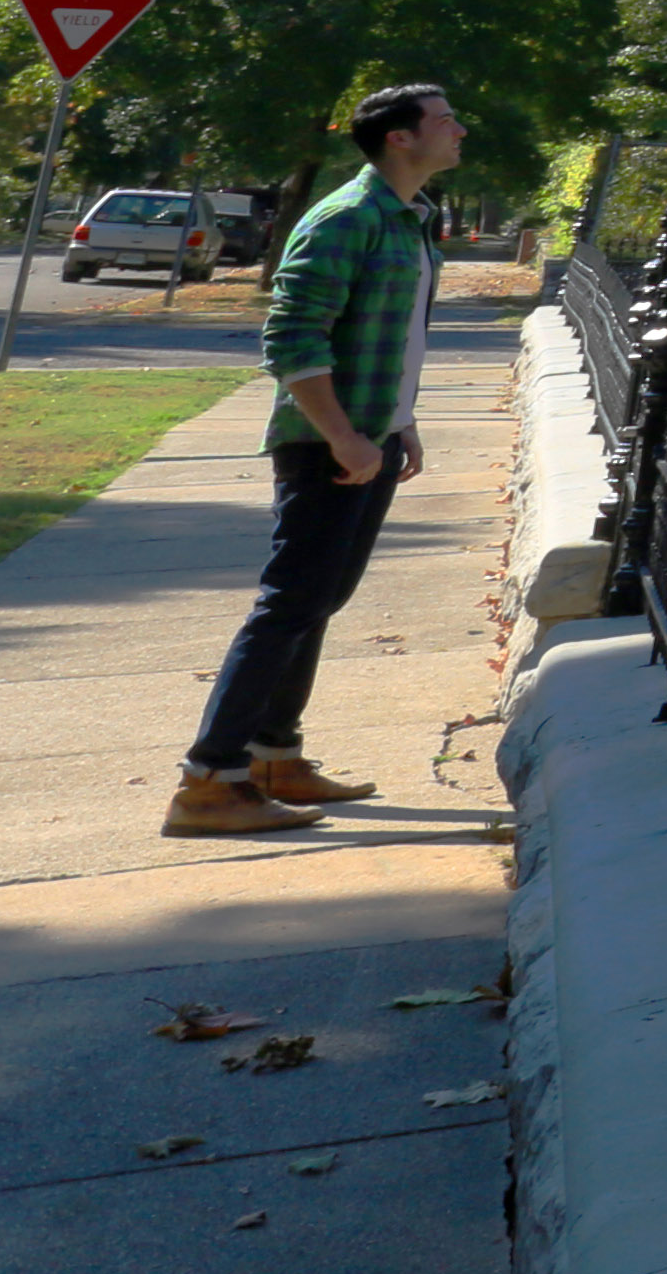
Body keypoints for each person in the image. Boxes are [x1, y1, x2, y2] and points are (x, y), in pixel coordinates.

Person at [165, 84, 461, 838]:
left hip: (371, 437)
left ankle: (273, 756)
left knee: (319, 599)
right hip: (329, 446)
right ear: (398, 138)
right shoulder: (346, 219)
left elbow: (386, 337)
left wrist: (400, 422)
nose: (458, 131)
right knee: (289, 602)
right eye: (442, 121)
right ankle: (209, 780)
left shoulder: (412, 218)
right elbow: (293, 337)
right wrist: (343, 436)